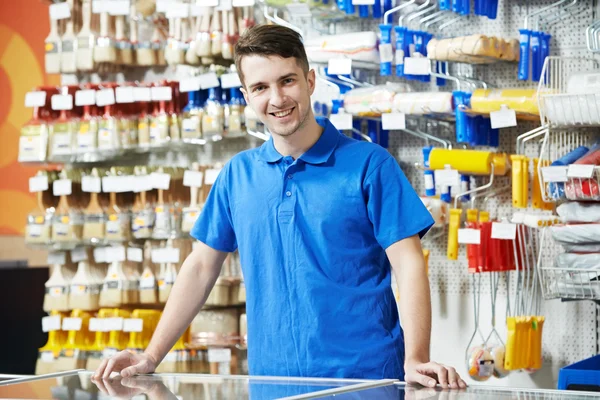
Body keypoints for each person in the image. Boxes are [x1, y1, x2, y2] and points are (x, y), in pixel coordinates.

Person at [93, 24, 466, 390]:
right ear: (246, 95)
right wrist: (151, 355)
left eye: (287, 81)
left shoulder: (370, 164)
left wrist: (415, 358)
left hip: (365, 381)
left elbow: (409, 263)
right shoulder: (238, 175)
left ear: (310, 80)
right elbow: (201, 267)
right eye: (260, 87)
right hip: (273, 383)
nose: (277, 99)